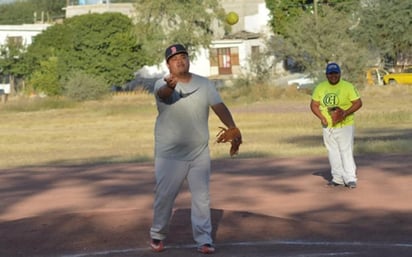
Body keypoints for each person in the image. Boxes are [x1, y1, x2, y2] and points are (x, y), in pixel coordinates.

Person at [149, 44, 241, 254]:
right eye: (174, 59)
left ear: (188, 59)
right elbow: (163, 95)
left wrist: (232, 127)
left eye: (183, 57)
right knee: (165, 196)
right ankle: (157, 234)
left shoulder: (204, 84)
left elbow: (219, 107)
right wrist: (171, 87)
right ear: (168, 64)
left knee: (202, 197)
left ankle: (204, 240)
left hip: (199, 151)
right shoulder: (160, 84)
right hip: (170, 154)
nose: (180, 61)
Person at [310, 62, 362, 189]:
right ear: (326, 75)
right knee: (332, 151)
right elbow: (314, 105)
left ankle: (350, 178)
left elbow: (358, 103)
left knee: (345, 151)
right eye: (330, 73)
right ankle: (337, 178)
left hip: (345, 125)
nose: (333, 76)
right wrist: (322, 117)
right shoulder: (320, 87)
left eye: (335, 73)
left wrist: (345, 113)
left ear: (340, 73)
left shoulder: (347, 86)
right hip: (328, 126)